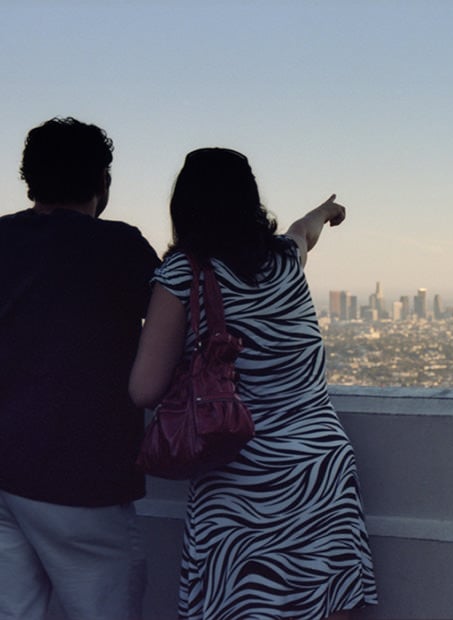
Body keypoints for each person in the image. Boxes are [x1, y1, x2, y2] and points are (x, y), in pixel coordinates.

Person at [129, 147, 378, 620]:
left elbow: (144, 390)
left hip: (242, 481)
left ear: (184, 207)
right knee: (323, 606)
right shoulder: (285, 260)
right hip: (321, 471)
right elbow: (304, 232)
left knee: (243, 604)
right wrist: (326, 211)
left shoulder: (183, 275)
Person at [0, 117, 161, 620]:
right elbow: (175, 328)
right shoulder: (118, 246)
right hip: (80, 479)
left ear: (30, 180)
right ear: (102, 181)